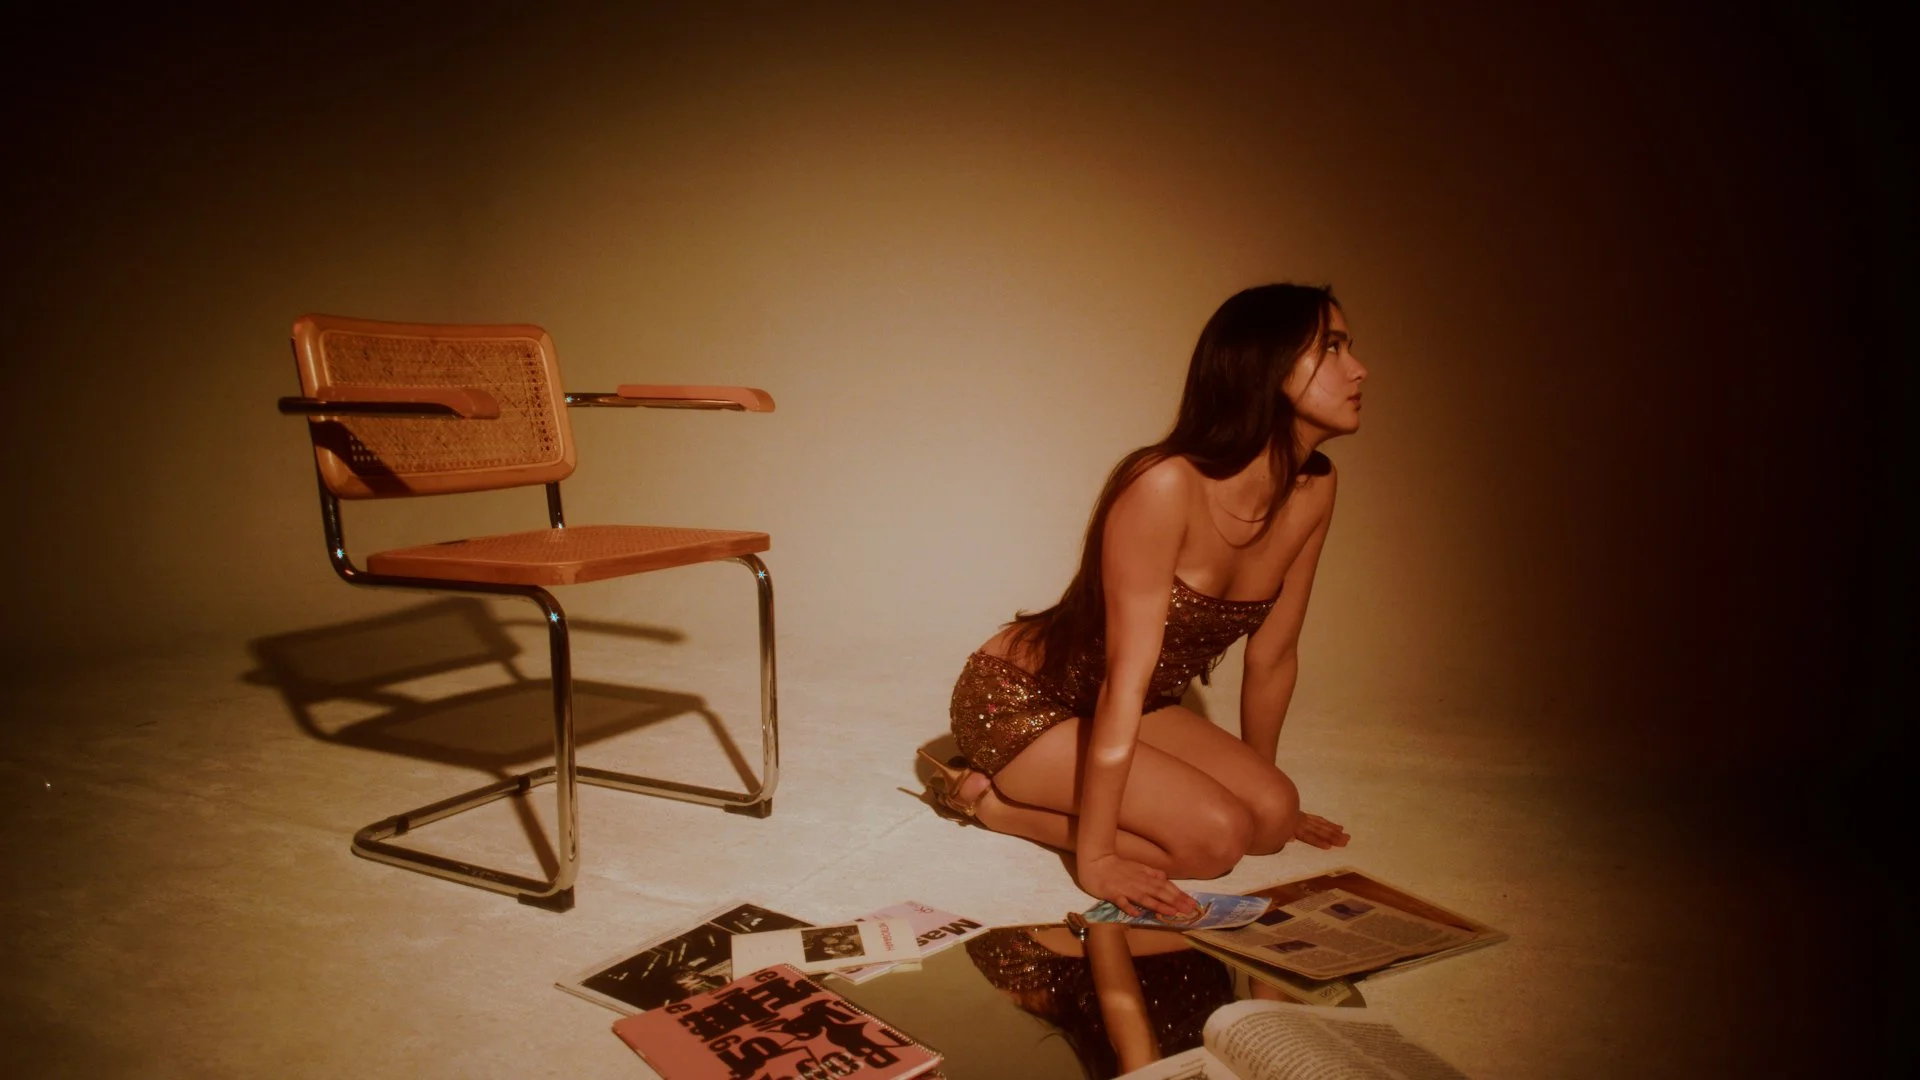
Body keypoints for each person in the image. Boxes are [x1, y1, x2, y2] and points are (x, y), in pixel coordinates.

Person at [919, 284, 1363, 919]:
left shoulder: (1316, 487)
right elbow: (1122, 682)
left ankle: (1251, 812)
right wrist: (1096, 857)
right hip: (1024, 702)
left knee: (1264, 822)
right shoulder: (1163, 483)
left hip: (1141, 703)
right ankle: (992, 804)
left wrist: (1262, 796)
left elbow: (1275, 655)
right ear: (1267, 367)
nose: (1359, 369)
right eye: (1333, 348)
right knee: (1214, 842)